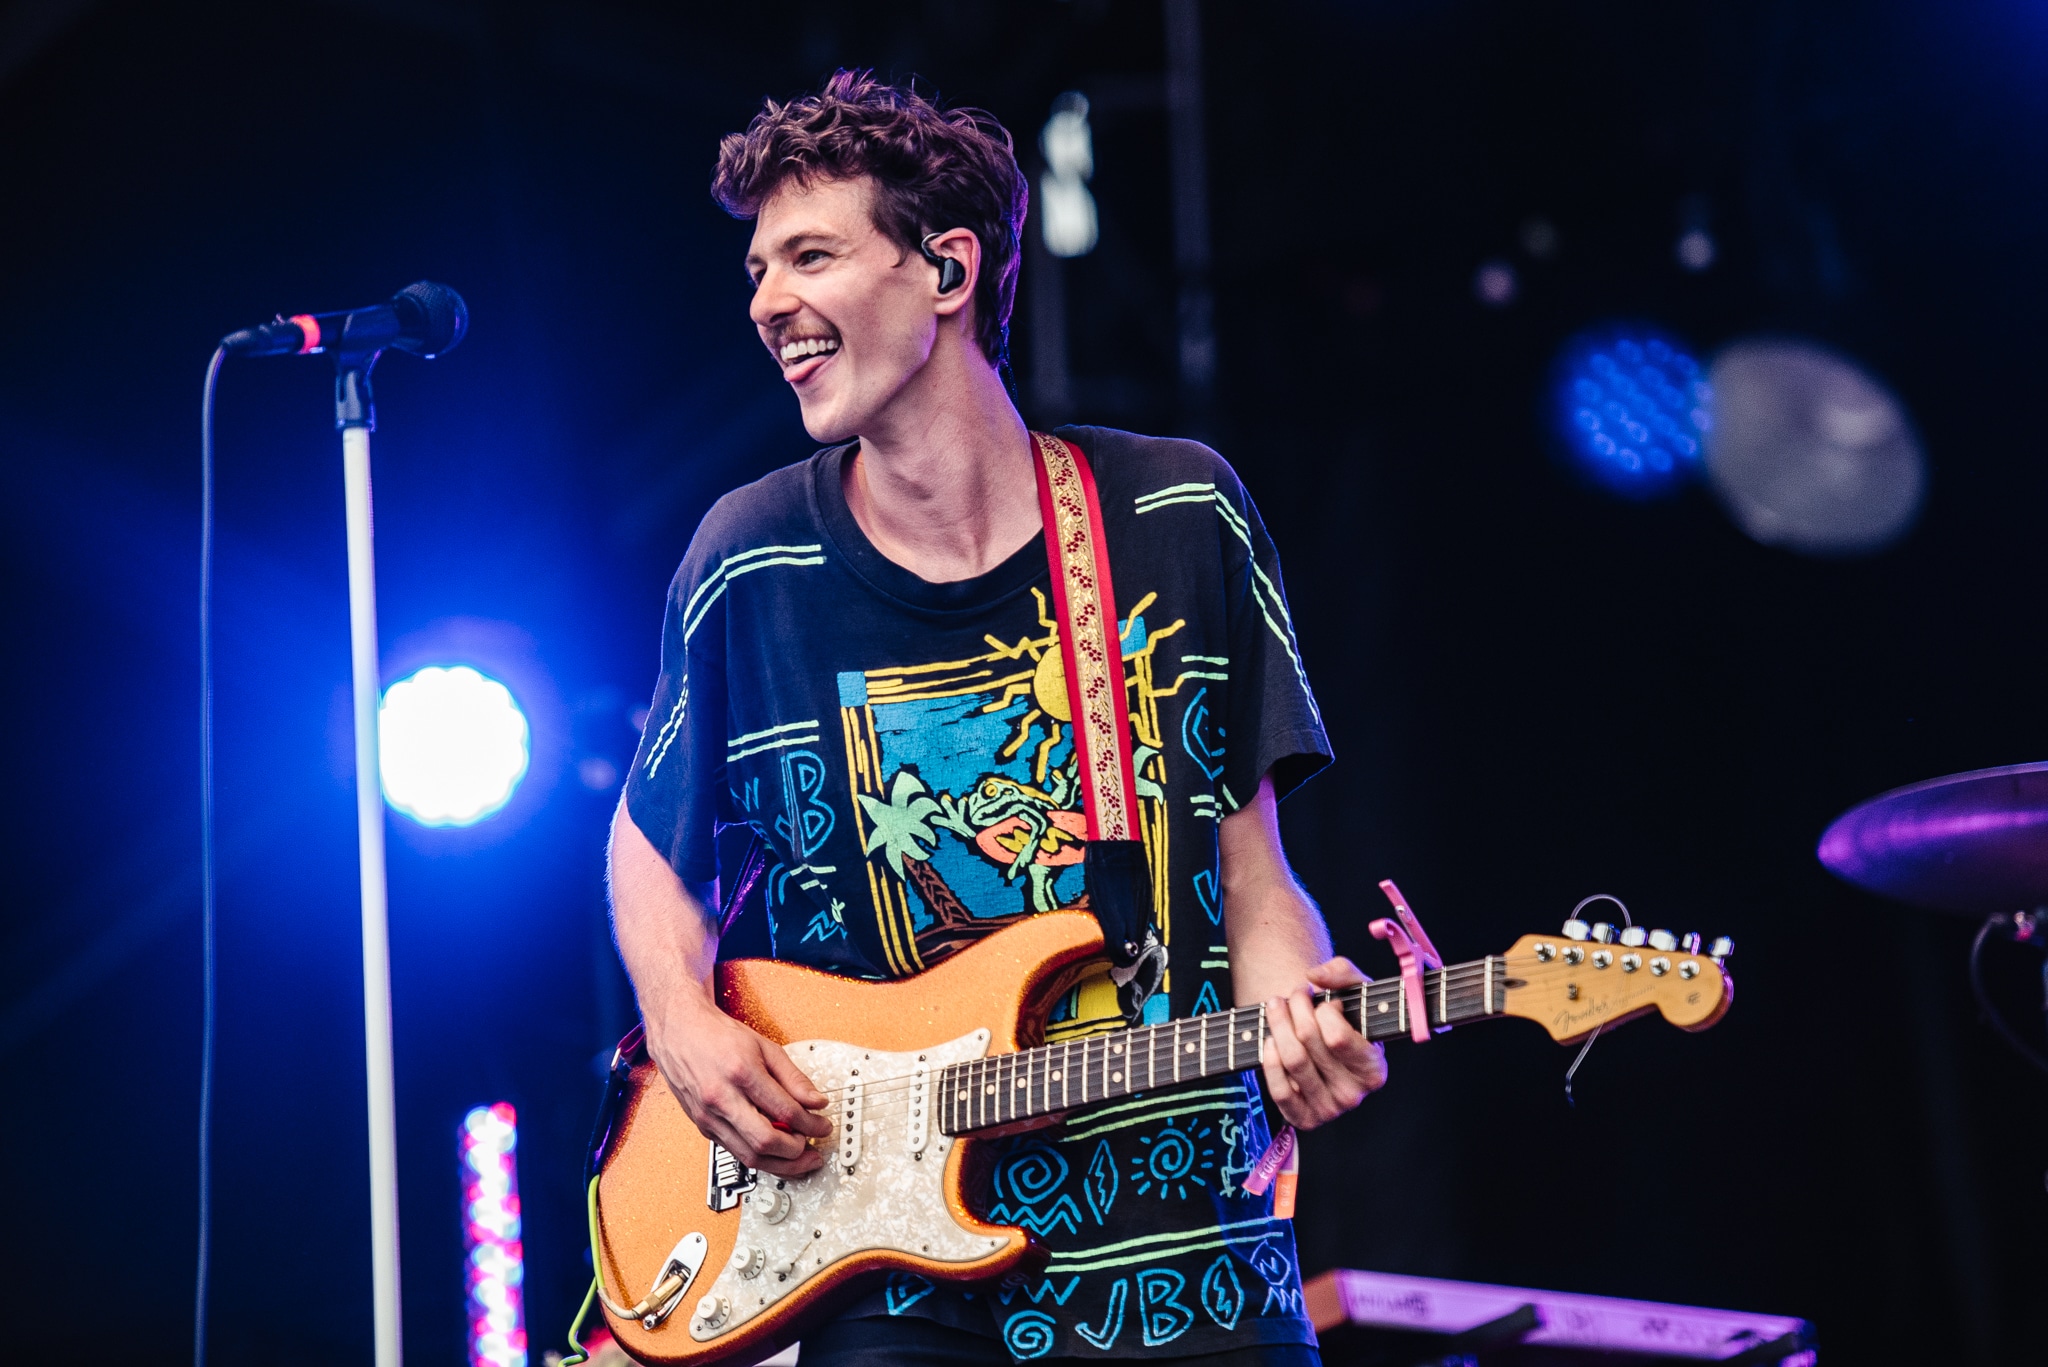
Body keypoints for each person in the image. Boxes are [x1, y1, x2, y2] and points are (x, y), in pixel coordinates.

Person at [610, 69, 1385, 1367]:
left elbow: (1254, 876)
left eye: (810, 255)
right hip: (886, 1279)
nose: (765, 302)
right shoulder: (748, 560)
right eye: (757, 268)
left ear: (948, 269)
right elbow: (650, 846)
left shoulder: (1175, 515)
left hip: (1191, 1253)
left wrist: (1293, 1010)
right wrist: (684, 1028)